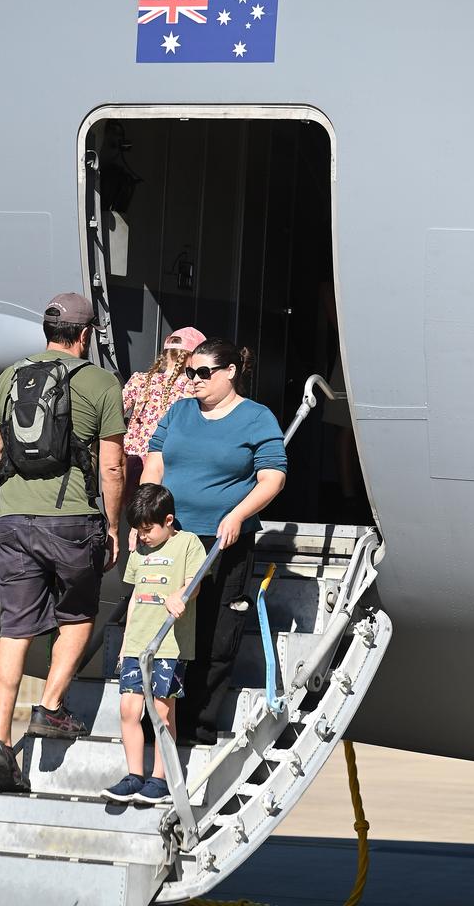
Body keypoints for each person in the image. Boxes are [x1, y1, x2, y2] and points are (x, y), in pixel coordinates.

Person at [0, 293, 126, 792]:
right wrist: (112, 525)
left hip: (14, 520)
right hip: (72, 521)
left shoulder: (11, 377)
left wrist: (23, 477)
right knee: (78, 617)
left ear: (46, 331)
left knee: (14, 629)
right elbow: (112, 466)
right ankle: (51, 707)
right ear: (84, 336)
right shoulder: (101, 383)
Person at [140, 338, 287, 745]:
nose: (194, 381)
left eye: (203, 373)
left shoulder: (256, 418)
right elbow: (156, 461)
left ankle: (195, 725)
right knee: (165, 626)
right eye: (190, 372)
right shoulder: (180, 411)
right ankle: (154, 721)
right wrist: (146, 516)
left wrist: (238, 514)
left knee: (215, 632)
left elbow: (272, 476)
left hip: (223, 540)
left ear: (230, 373)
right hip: (173, 537)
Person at [101, 484, 205, 805]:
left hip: (168, 647)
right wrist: (124, 642)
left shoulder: (188, 543)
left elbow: (195, 583)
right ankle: (135, 775)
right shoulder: (140, 552)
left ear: (169, 520)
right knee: (128, 709)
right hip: (137, 644)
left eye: (148, 530)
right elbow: (134, 598)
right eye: (138, 530)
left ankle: (160, 779)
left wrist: (182, 594)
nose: (142, 536)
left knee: (161, 711)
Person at [121, 327, 206, 499]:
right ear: (192, 358)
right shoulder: (193, 387)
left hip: (133, 463)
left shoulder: (140, 379)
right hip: (171, 466)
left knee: (137, 518)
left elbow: (113, 413)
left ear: (166, 353)